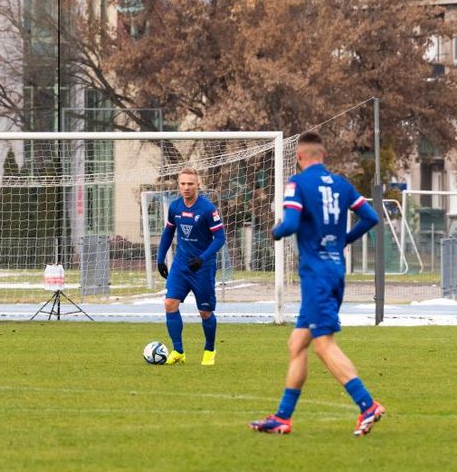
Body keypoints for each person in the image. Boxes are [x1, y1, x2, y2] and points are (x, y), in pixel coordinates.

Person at [250, 131, 385, 437]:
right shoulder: (341, 184)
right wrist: (342, 241)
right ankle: (282, 417)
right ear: (324, 155)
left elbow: (293, 224)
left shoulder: (297, 184)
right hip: (335, 269)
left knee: (323, 345)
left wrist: (277, 231)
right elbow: (371, 217)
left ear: (299, 157)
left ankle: (367, 405)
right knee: (297, 344)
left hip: (315, 275)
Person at [156, 166, 226, 365]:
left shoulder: (207, 209)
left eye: (190, 184)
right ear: (178, 185)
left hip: (202, 267)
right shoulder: (175, 207)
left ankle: (209, 350)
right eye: (183, 184)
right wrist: (160, 259)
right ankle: (178, 351)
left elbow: (220, 238)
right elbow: (168, 232)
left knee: (205, 312)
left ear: (198, 185)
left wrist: (203, 258)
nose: (186, 187)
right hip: (181, 265)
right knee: (170, 303)